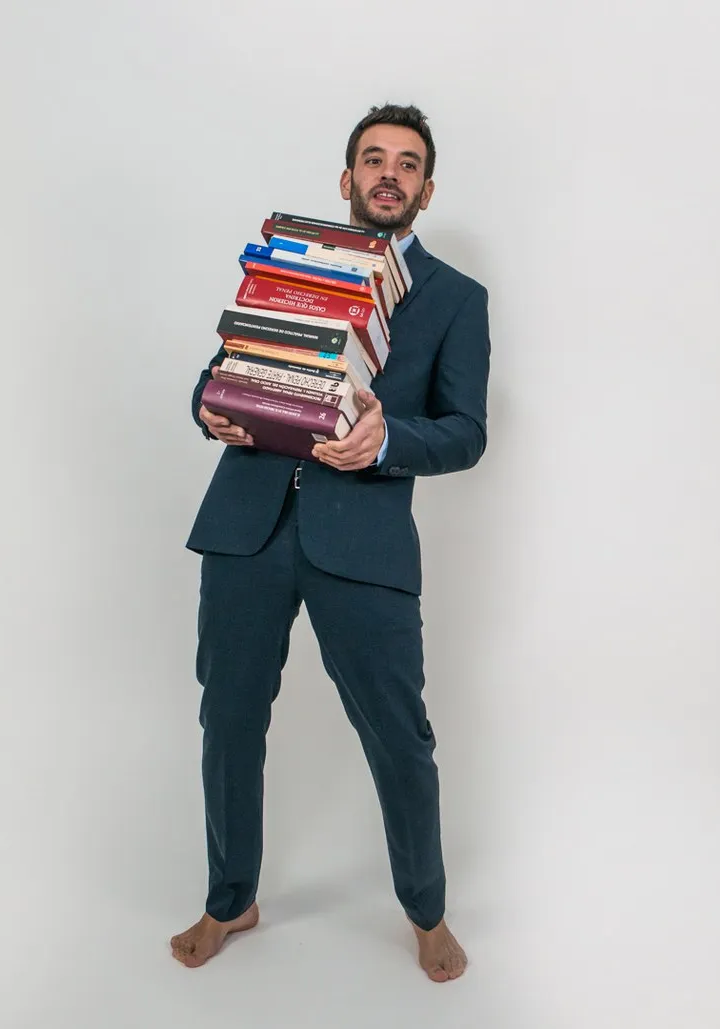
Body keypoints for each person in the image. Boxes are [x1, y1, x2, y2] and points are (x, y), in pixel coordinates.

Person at [173, 103, 490, 983]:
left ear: (426, 190)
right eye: (373, 159)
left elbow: (466, 430)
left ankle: (425, 910)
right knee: (228, 719)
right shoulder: (290, 264)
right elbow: (222, 369)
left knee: (399, 734)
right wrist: (207, 405)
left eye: (407, 163)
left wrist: (389, 441)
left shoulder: (456, 299)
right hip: (246, 527)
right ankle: (230, 897)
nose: (389, 173)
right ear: (346, 179)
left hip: (364, 541)